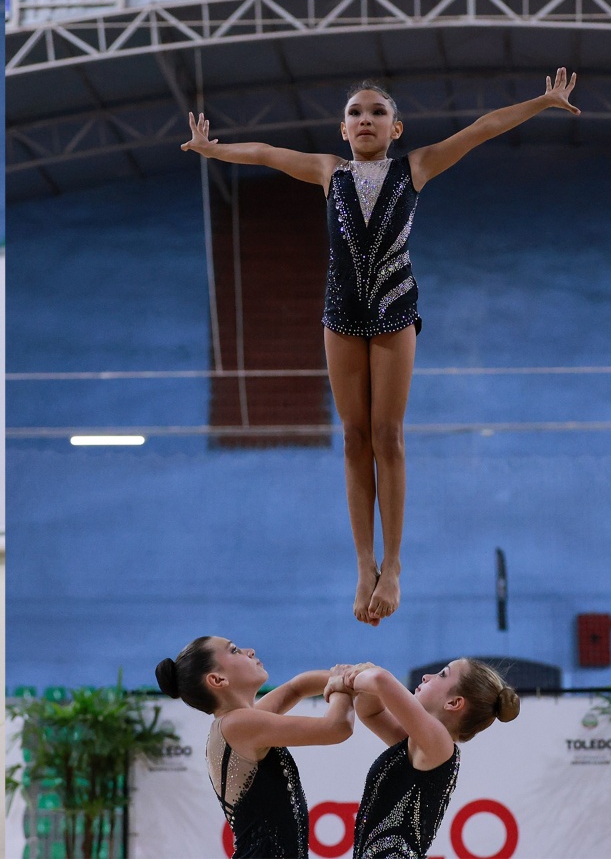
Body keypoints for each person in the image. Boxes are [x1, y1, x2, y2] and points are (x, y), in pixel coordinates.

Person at [181, 70, 580, 625]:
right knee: (352, 436)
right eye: (354, 113)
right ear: (343, 130)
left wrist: (542, 100)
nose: (364, 119)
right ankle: (363, 563)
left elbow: (481, 129)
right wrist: (212, 150)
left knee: (388, 435)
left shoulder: (413, 167)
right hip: (341, 313)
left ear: (396, 127)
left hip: (393, 310)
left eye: (375, 112)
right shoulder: (327, 170)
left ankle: (393, 564)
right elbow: (268, 154)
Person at [155, 636, 354, 858]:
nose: (250, 651)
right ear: (218, 680)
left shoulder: (238, 722)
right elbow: (337, 728)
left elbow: (297, 688)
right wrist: (341, 687)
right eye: (234, 650)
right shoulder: (236, 725)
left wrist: (351, 675)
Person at [324, 658, 520, 858]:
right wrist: (359, 675)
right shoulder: (421, 746)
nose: (426, 677)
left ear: (453, 703)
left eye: (442, 674)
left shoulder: (439, 745)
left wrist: (346, 680)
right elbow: (371, 712)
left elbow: (381, 680)